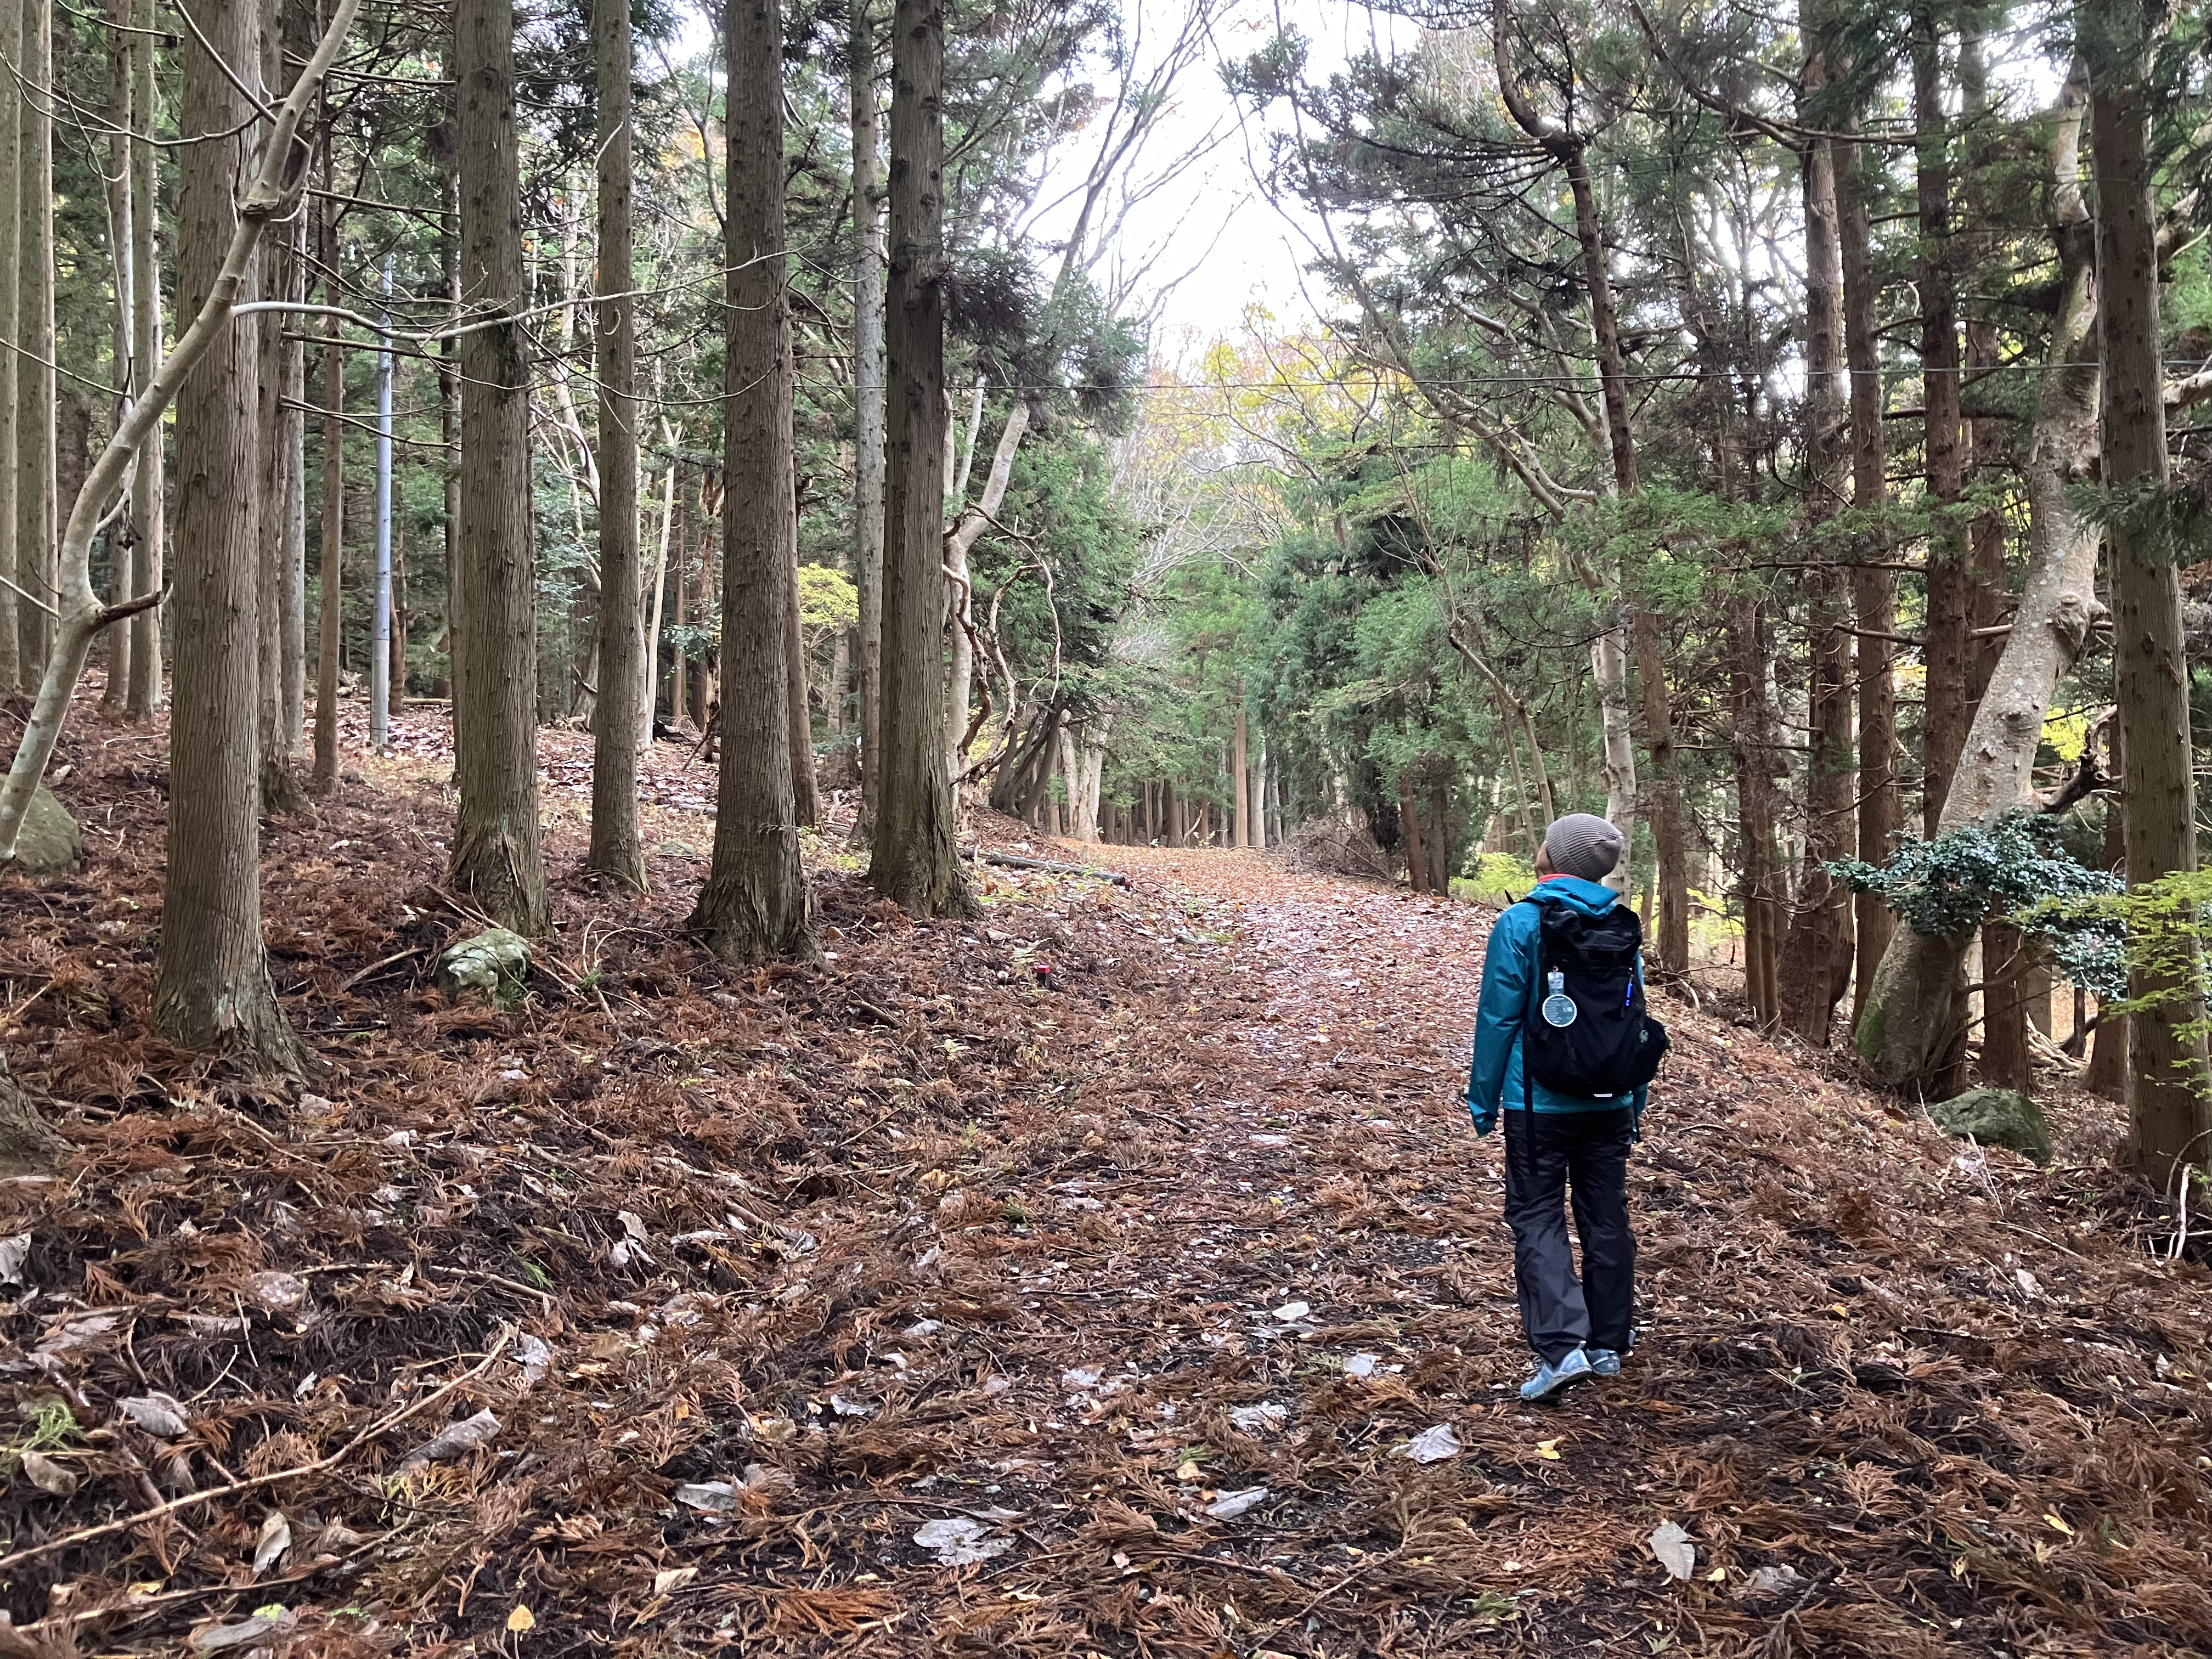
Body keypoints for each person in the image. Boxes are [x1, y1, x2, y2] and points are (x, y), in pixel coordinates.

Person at [1465, 812, 1649, 1401]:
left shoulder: (1521, 922)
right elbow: (1634, 1022)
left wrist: (1483, 1099)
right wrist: (1635, 1101)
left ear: (1554, 856)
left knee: (1536, 1216)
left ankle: (1561, 1348)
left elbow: (1497, 1018)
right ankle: (1607, 1345)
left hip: (1537, 1104)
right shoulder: (1622, 924)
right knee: (1606, 1215)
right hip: (1610, 1101)